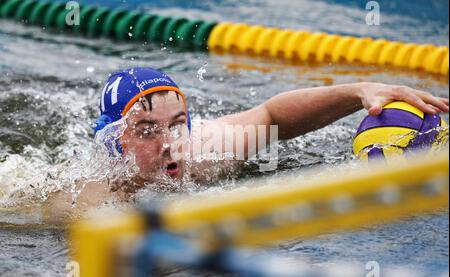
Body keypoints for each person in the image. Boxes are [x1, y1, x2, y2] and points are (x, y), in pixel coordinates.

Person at [93, 67, 448, 192]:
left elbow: (271, 115)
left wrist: (360, 92)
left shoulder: (206, 153)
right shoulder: (91, 198)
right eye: (147, 130)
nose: (171, 145)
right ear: (115, 140)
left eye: (177, 124)